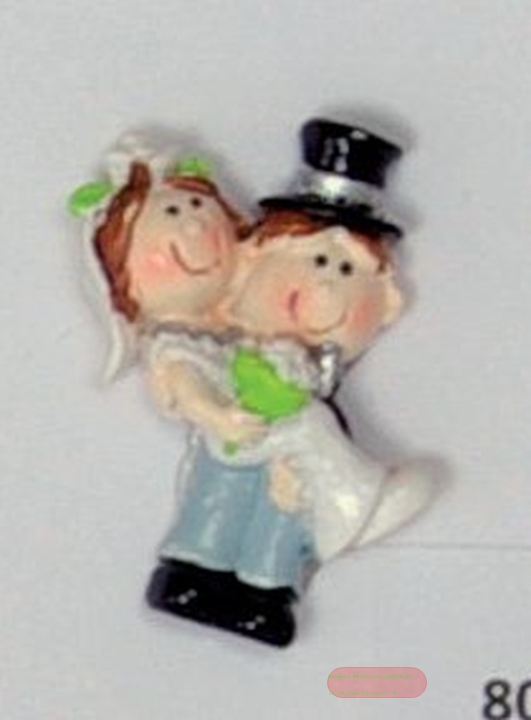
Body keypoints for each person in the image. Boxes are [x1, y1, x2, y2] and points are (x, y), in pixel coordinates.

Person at [146, 120, 437, 647]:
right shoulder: (226, 353)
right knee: (216, 505)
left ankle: (265, 595)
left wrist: (306, 472)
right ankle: (191, 574)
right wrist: (214, 413)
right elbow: (182, 369)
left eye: (346, 271)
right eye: (318, 260)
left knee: (284, 517)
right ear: (253, 263)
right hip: (227, 453)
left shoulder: (313, 388)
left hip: (293, 466)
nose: (326, 282)